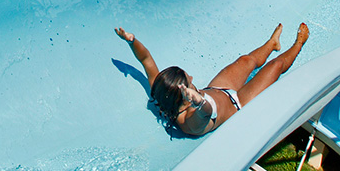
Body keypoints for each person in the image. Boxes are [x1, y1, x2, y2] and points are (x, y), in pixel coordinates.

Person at [115, 23, 309, 137]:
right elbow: (205, 113)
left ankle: (271, 44)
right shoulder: (188, 121)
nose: (191, 77)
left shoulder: (164, 90)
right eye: (188, 80)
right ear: (184, 97)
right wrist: (199, 101)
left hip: (219, 88)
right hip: (238, 103)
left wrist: (132, 41)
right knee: (274, 67)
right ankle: (299, 44)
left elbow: (146, 60)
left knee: (245, 61)